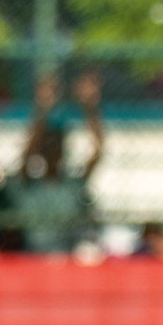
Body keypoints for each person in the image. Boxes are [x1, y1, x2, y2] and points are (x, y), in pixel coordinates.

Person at [9, 71, 104, 254]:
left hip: (65, 256)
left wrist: (89, 107)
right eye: (48, 146)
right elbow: (26, 154)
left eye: (56, 145)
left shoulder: (71, 184)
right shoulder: (29, 184)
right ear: (41, 151)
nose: (52, 151)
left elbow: (98, 152)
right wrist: (42, 108)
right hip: (33, 256)